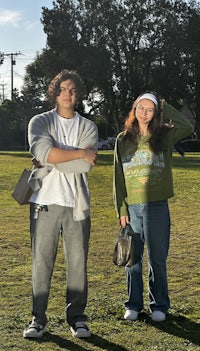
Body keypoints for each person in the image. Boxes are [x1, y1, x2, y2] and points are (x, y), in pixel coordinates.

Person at [23, 69, 98, 339]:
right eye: (63, 89)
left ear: (78, 96)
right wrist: (78, 153)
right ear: (55, 92)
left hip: (76, 205)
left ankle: (77, 318)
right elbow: (43, 151)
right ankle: (37, 319)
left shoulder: (88, 127)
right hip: (43, 203)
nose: (68, 94)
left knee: (78, 264)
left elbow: (83, 167)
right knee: (41, 264)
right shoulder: (39, 121)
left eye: (73, 90)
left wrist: (52, 156)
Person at [113, 92, 193, 322]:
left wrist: (165, 105)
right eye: (141, 108)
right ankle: (134, 305)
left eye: (150, 109)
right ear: (134, 109)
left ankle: (159, 305)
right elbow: (118, 177)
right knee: (133, 259)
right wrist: (121, 209)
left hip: (157, 206)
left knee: (158, 258)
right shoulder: (123, 139)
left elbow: (185, 125)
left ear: (155, 113)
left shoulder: (164, 137)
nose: (144, 113)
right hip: (133, 207)